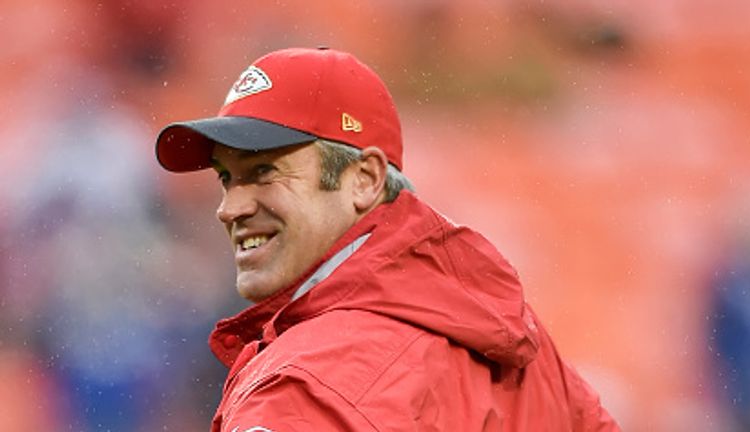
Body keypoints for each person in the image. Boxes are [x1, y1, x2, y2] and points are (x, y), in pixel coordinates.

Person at [155, 47, 620, 431]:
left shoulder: (302, 390)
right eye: (226, 179)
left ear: (365, 179)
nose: (229, 208)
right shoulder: (503, 330)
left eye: (263, 172)